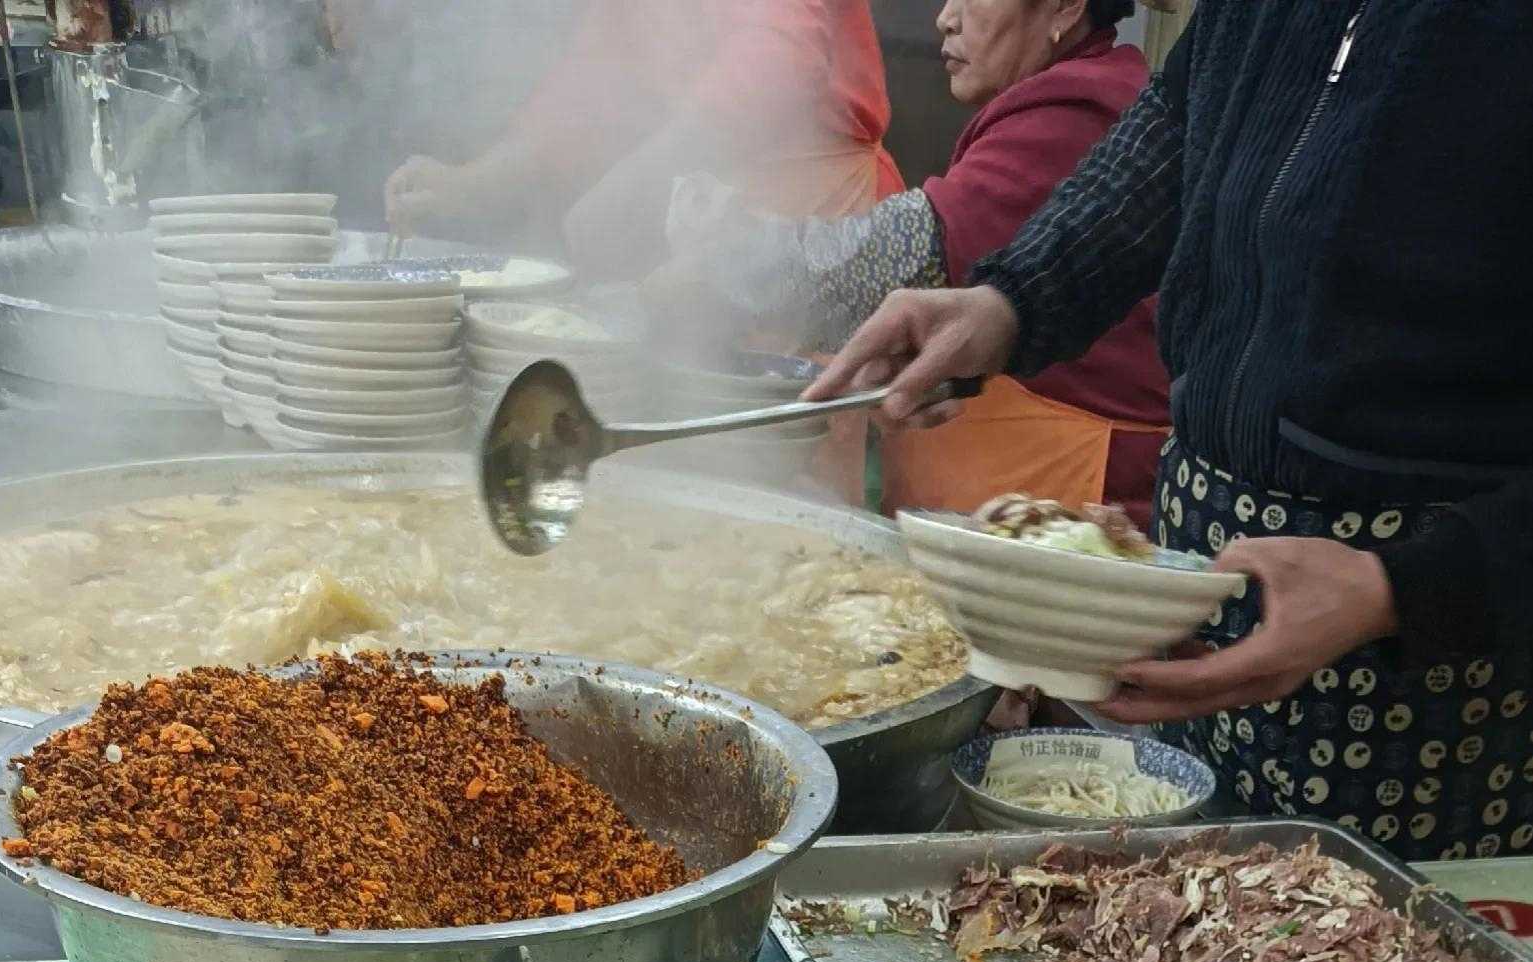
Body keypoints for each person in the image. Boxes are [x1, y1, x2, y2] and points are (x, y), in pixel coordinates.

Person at [805, 0, 1533, 864]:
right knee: (1164, 934)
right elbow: (1170, 138)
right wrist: (1014, 300)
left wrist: (1401, 586)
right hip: (1199, 578)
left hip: (1439, 646)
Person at [650, 0, 1176, 524]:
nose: (945, 18)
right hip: (1005, 492)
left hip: (1066, 506)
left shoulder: (1076, 113)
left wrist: (711, 243)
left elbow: (888, 270)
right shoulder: (1064, 95)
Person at [382, 0, 902, 280]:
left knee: (785, 457)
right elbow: (592, 84)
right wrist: (473, 183)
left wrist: (641, 178)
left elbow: (779, 63)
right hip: (703, 221)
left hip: (811, 218)